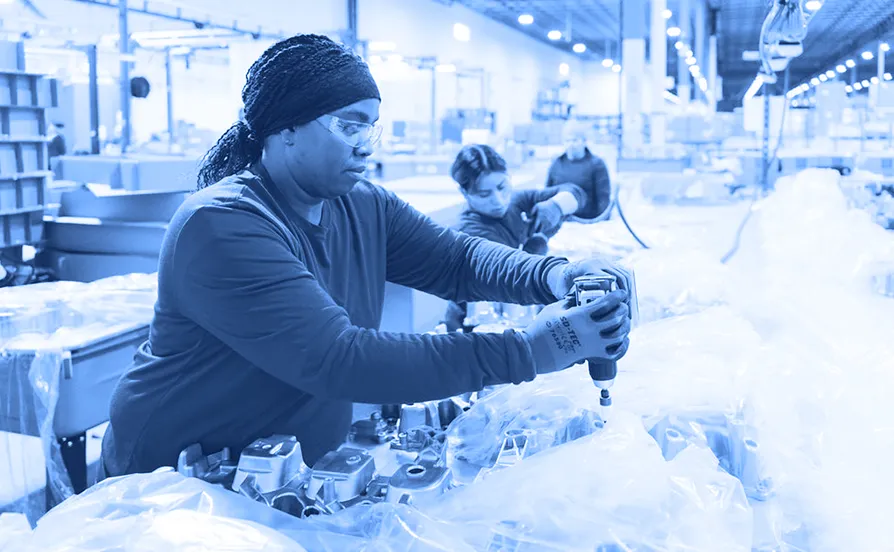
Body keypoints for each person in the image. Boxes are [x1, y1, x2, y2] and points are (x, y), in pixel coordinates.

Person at [101, 34, 632, 477]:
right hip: (177, 481)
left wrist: (556, 275)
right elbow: (338, 358)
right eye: (348, 125)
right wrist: (532, 350)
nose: (365, 145)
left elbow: (457, 260)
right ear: (285, 128)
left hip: (284, 468)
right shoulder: (222, 224)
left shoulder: (360, 205)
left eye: (370, 126)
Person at [442, 144, 590, 332]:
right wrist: (537, 246)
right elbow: (511, 276)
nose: (498, 199)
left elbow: (577, 192)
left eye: (502, 187)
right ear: (465, 193)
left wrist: (557, 205)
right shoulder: (469, 230)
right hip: (476, 326)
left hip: (515, 315)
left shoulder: (516, 202)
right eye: (484, 194)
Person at [546, 122, 612, 221]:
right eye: (567, 140)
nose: (571, 144)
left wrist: (602, 223)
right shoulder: (557, 163)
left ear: (584, 141)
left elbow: (603, 199)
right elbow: (547, 193)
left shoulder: (597, 164)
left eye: (575, 140)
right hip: (560, 221)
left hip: (587, 222)